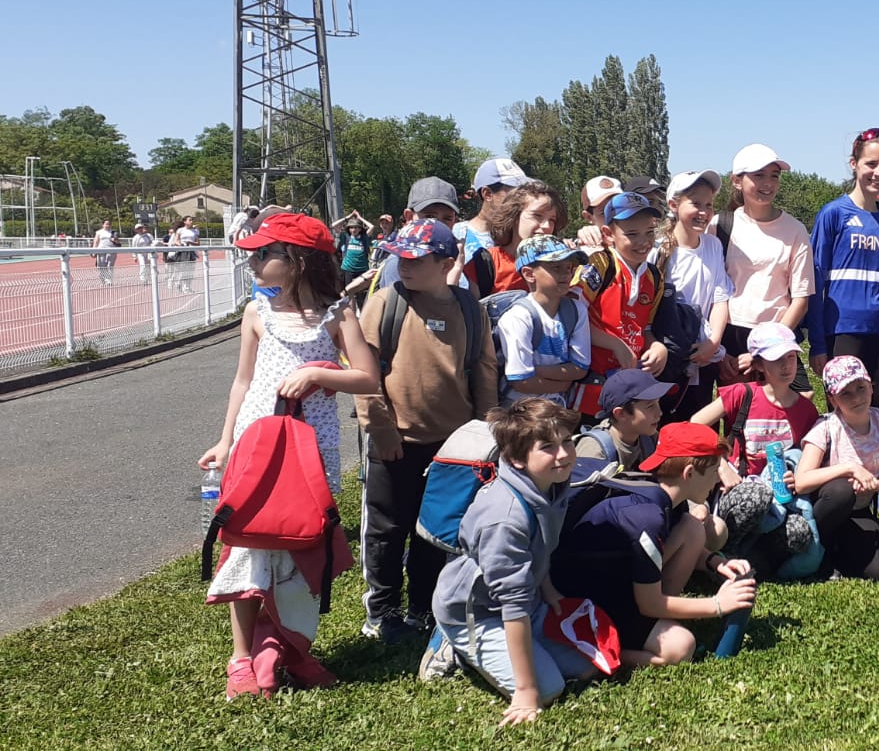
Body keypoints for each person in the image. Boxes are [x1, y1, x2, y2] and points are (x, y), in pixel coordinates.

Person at [196, 212, 381, 699]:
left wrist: (319, 375)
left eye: (265, 254)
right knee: (250, 545)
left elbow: (368, 378)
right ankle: (241, 656)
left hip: (309, 453)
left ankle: (291, 647)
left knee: (302, 546)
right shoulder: (256, 313)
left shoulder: (338, 314)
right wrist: (225, 440)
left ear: (297, 261)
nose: (254, 262)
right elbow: (243, 381)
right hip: (258, 448)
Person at [356, 218, 498, 642]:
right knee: (386, 528)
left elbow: (485, 371)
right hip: (396, 440)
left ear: (447, 263)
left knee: (434, 528)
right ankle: (382, 610)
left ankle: (423, 605)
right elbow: (365, 373)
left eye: (416, 259)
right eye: (400, 257)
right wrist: (381, 428)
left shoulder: (470, 309)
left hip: (453, 446)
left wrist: (485, 431)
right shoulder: (386, 303)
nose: (404, 265)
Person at [420, 398, 597, 724]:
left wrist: (548, 590)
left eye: (567, 441)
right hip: (479, 612)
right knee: (547, 690)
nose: (563, 454)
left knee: (587, 666)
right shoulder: (504, 518)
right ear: (516, 458)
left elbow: (539, 547)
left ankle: (520, 653)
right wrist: (526, 691)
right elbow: (512, 604)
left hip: (526, 601)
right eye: (547, 447)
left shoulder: (552, 484)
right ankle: (452, 643)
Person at [550, 422, 758, 668]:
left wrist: (716, 562)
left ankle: (657, 621)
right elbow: (649, 604)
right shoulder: (647, 519)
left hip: (617, 578)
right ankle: (597, 652)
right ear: (689, 473)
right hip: (587, 600)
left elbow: (673, 541)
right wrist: (718, 605)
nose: (717, 481)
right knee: (681, 646)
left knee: (692, 528)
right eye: (714, 471)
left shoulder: (660, 490)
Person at [793, 356, 879, 580]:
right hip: (827, 507)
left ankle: (841, 550)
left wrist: (875, 485)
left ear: (871, 386)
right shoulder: (825, 428)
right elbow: (801, 482)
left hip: (858, 510)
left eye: (861, 388)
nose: (857, 398)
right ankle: (820, 548)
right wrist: (849, 468)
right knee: (842, 490)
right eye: (845, 393)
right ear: (832, 399)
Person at [805, 128, 879, 411]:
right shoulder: (834, 213)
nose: (878, 172)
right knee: (845, 414)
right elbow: (814, 281)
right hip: (842, 330)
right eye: (871, 164)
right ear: (854, 164)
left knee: (877, 412)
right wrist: (818, 344)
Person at [715, 144, 814, 391]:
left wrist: (768, 346)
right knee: (739, 406)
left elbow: (800, 299)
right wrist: (718, 349)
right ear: (737, 181)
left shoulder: (796, 230)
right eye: (758, 175)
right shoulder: (720, 225)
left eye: (774, 176)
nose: (768, 183)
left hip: (777, 332)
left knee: (801, 399)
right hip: (731, 335)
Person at [576, 192, 670, 418]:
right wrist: (614, 343)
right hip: (591, 382)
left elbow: (645, 327)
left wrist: (657, 346)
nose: (643, 242)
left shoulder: (655, 276)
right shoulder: (598, 264)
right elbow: (571, 318)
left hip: (629, 387)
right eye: (632, 234)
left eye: (649, 232)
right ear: (608, 234)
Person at [692, 322, 820, 487]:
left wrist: (796, 475)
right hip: (740, 484)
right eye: (776, 359)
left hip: (781, 489)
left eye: (791, 356)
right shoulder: (742, 394)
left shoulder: (806, 409)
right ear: (759, 364)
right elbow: (695, 423)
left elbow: (808, 456)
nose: (786, 365)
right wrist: (721, 465)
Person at [653, 169, 732, 423]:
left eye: (709, 205)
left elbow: (720, 298)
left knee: (698, 424)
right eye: (695, 203)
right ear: (673, 205)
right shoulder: (657, 248)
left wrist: (713, 343)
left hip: (702, 355)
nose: (704, 212)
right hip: (666, 357)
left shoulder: (713, 245)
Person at [498, 236, 593, 407]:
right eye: (556, 267)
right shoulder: (518, 317)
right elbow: (520, 381)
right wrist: (563, 384)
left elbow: (580, 368)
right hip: (521, 409)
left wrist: (536, 371)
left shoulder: (576, 310)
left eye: (569, 267)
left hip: (559, 406)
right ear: (529, 274)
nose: (566, 274)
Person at [474, 180, 571, 295]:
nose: (547, 226)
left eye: (552, 220)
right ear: (514, 216)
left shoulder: (563, 261)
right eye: (537, 215)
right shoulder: (485, 262)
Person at [368, 177, 462, 294]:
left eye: (447, 218)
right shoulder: (399, 263)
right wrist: (454, 274)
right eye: (429, 217)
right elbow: (419, 305)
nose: (438, 224)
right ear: (409, 217)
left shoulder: (453, 255)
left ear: (455, 221)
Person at [452, 158, 533, 285]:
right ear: (487, 194)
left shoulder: (522, 235)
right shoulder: (458, 234)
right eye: (515, 194)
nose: (521, 200)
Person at [575, 369, 673, 472]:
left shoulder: (650, 439)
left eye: (658, 402)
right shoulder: (594, 450)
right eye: (650, 406)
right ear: (620, 414)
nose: (659, 412)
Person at [575, 175, 623, 251]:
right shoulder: (588, 251)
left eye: (620, 208)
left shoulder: (639, 237)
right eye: (606, 212)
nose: (616, 216)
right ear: (588, 217)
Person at [331, 210, 375, 288]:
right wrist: (348, 217)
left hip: (362, 269)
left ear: (360, 229)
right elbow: (333, 225)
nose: (354, 230)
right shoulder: (345, 236)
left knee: (363, 290)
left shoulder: (364, 237)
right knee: (348, 290)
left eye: (356, 227)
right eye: (351, 227)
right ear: (348, 229)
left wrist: (360, 218)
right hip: (348, 269)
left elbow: (372, 227)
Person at [169, 215, 201, 294]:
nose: (191, 221)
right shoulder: (180, 230)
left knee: (191, 270)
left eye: (191, 220)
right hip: (182, 251)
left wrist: (190, 242)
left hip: (192, 252)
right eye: (189, 220)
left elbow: (198, 243)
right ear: (185, 221)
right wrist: (180, 244)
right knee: (183, 269)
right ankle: (179, 283)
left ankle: (187, 287)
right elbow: (176, 241)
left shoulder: (195, 231)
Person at [92, 220, 120, 285]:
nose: (108, 225)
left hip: (111, 250)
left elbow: (118, 242)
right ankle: (103, 280)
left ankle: (109, 281)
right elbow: (96, 242)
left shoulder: (114, 232)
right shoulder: (99, 232)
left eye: (109, 224)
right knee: (101, 266)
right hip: (101, 250)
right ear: (103, 225)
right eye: (106, 224)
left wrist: (115, 240)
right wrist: (94, 251)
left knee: (110, 265)